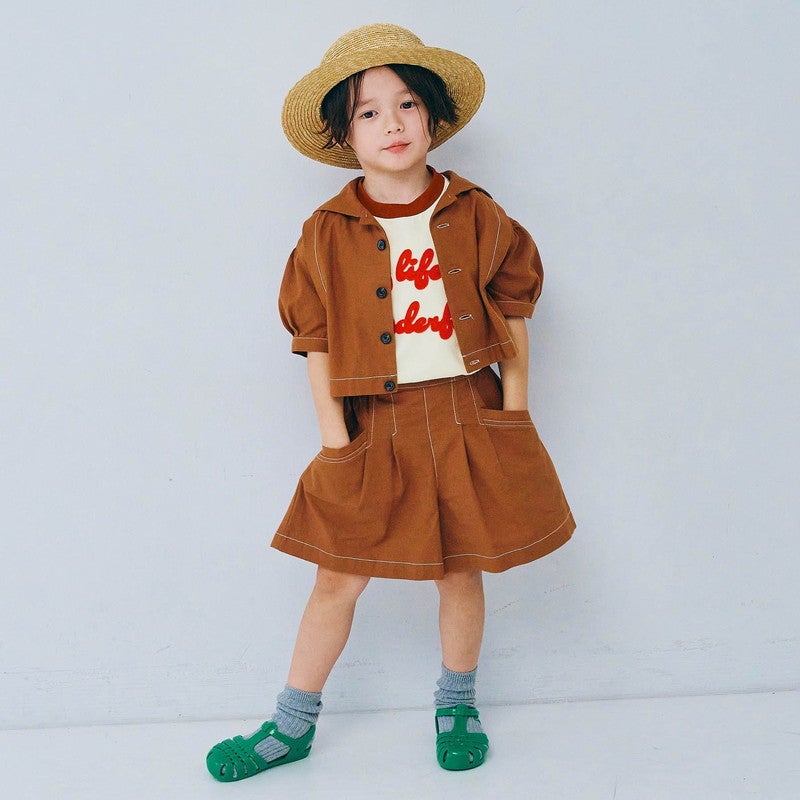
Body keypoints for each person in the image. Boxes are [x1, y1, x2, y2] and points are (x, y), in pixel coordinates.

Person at [206, 22, 575, 781]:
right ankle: (291, 725)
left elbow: (513, 312)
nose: (392, 123)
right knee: (336, 577)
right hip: (372, 422)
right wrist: (335, 442)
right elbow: (315, 340)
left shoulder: (478, 213)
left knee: (460, 568)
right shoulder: (326, 233)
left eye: (406, 104)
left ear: (433, 117)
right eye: (369, 112)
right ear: (345, 136)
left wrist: (513, 412)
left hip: (469, 411)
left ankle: (457, 704)